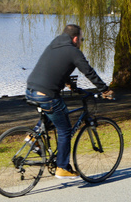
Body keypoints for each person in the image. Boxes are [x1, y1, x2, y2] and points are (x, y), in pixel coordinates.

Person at [25, 24, 114, 180]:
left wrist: (71, 85)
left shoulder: (54, 44)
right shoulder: (74, 51)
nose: (81, 42)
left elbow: (58, 67)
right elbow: (89, 72)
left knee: (51, 115)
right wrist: (104, 90)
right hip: (47, 94)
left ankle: (33, 137)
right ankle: (62, 167)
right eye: (81, 39)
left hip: (31, 89)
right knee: (65, 129)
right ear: (75, 38)